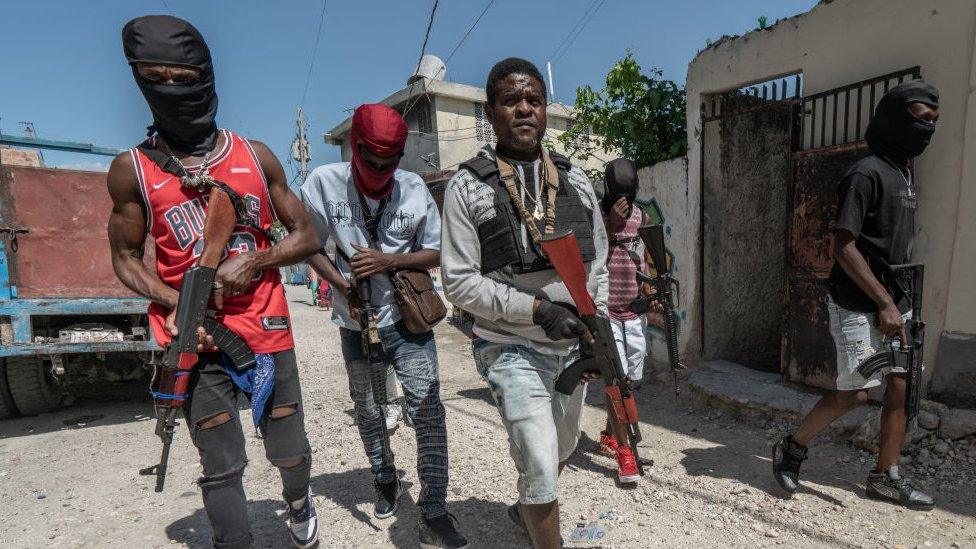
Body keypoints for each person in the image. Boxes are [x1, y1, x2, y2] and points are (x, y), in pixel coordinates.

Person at [107, 15, 321, 549]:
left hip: (266, 327)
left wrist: (256, 261)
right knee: (221, 462)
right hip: (192, 339)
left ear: (207, 76)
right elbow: (126, 256)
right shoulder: (131, 170)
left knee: (288, 447)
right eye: (158, 79)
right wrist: (176, 301)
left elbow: (308, 235)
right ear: (139, 81)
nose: (174, 90)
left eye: (186, 77)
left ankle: (299, 502)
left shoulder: (255, 156)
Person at [440, 57, 608, 549]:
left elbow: (597, 258)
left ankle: (528, 505)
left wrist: (585, 315)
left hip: (570, 347)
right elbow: (460, 283)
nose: (524, 110)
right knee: (538, 457)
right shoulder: (467, 186)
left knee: (563, 447)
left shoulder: (577, 181)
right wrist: (536, 311)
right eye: (511, 101)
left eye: (533, 100)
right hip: (507, 345)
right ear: (490, 112)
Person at [301, 104, 467, 549]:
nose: (379, 170)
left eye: (388, 162)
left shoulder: (413, 189)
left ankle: (434, 508)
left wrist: (389, 260)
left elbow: (437, 252)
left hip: (407, 320)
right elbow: (309, 245)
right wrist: (344, 287)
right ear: (354, 148)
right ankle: (384, 476)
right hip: (354, 323)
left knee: (427, 408)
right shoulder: (322, 183)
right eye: (370, 161)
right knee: (370, 409)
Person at [772, 81, 940, 510]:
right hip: (857, 305)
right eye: (922, 119)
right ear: (897, 118)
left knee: (900, 390)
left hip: (896, 303)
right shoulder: (864, 174)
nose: (928, 129)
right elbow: (843, 245)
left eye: (934, 122)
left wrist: (897, 302)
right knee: (855, 393)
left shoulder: (903, 170)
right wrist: (882, 302)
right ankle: (791, 448)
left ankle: (886, 476)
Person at [597, 158, 656, 483]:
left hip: (633, 311)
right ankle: (625, 453)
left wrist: (650, 287)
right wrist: (609, 225)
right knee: (617, 382)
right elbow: (588, 254)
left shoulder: (640, 216)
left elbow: (644, 256)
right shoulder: (597, 215)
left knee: (629, 381)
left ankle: (609, 434)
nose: (625, 199)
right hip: (605, 310)